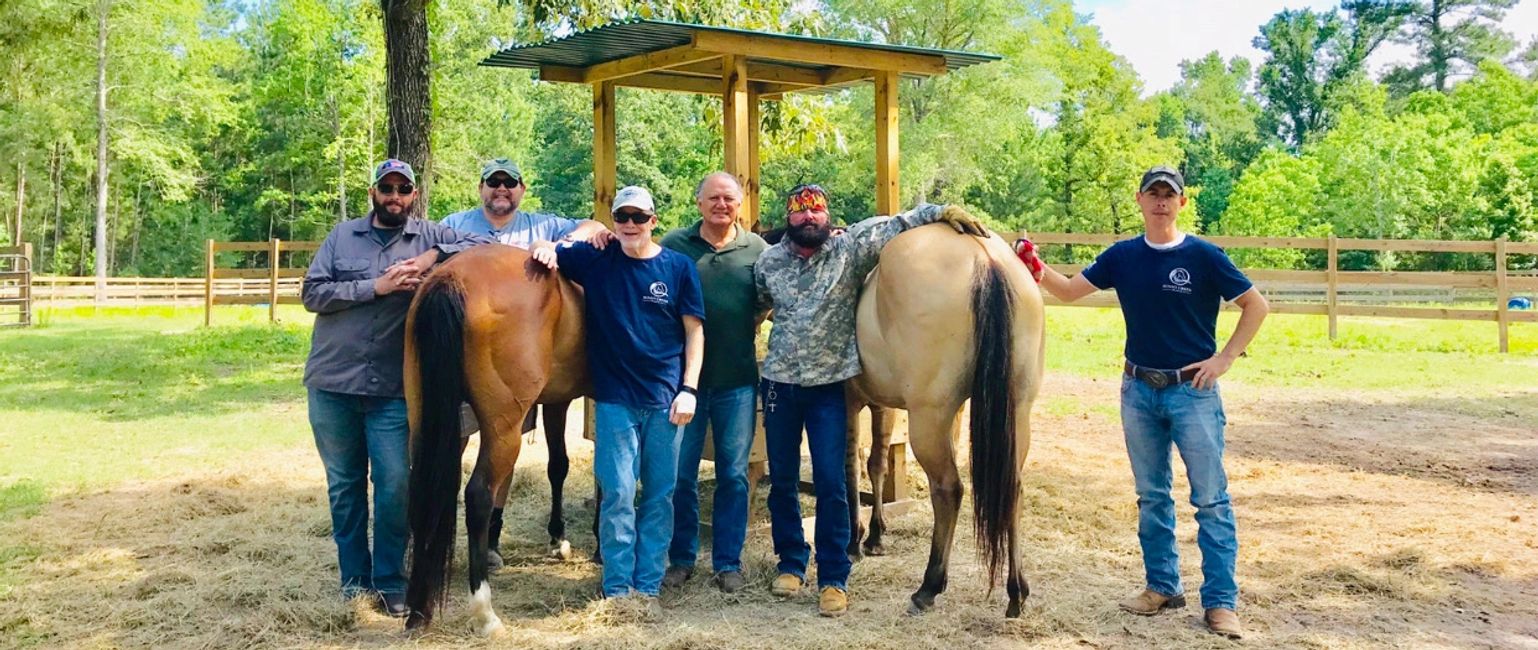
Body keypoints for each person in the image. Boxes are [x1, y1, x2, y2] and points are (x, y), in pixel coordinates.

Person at [1020, 166, 1269, 639]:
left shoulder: (1204, 257)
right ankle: (1162, 586)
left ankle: (1220, 603)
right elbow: (1071, 291)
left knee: (1211, 500)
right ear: (1139, 200)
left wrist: (1224, 359)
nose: (1160, 202)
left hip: (1192, 392)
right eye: (1153, 194)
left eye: (1168, 195)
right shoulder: (1123, 257)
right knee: (1152, 496)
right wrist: (1034, 265)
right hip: (1138, 390)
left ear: (1182, 202)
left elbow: (1256, 305)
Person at [752, 184, 986, 617]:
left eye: (816, 212)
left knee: (830, 481)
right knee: (782, 480)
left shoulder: (849, 250)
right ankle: (790, 563)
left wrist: (942, 210)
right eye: (800, 213)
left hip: (829, 387)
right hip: (781, 384)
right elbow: (756, 308)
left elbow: (898, 223)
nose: (809, 219)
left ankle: (834, 577)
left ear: (827, 217)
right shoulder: (767, 262)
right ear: (788, 218)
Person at [301, 159, 492, 617]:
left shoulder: (431, 235)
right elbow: (312, 292)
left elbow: (485, 242)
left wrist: (431, 258)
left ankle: (390, 581)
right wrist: (377, 286)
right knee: (345, 487)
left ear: (413, 194)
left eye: (402, 189)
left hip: (393, 389)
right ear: (373, 192)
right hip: (333, 384)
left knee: (394, 486)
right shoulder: (342, 237)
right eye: (386, 188)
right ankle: (354, 583)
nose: (394, 196)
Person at [529, 185, 705, 606]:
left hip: (666, 400)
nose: (630, 225)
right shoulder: (597, 260)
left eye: (638, 218)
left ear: (653, 221)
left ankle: (648, 584)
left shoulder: (678, 267)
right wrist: (546, 246)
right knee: (619, 493)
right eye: (622, 217)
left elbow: (694, 331)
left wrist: (689, 389)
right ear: (613, 221)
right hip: (614, 400)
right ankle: (617, 587)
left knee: (660, 494)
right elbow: (542, 246)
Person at [658, 172, 768, 593]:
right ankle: (681, 558)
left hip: (737, 380)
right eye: (713, 198)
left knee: (734, 475)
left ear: (740, 205)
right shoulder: (674, 246)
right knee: (680, 474)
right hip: (683, 383)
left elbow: (768, 299)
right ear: (699, 203)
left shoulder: (756, 249)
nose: (721, 205)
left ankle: (728, 562)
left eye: (729, 199)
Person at [442, 158, 608, 247]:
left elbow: (595, 227)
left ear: (522, 189)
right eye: (493, 182)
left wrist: (560, 245)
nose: (501, 188)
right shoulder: (453, 224)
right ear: (480, 188)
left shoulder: (541, 225)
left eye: (510, 182)